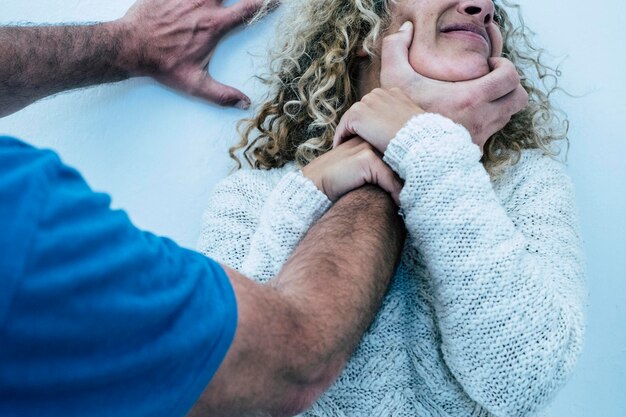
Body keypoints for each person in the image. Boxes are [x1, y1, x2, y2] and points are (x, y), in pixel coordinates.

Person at [0, 1, 410, 416]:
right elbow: (282, 363)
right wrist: (403, 147)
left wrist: (123, 43)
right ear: (367, 36)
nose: (477, 7)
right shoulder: (22, 225)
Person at [198, 0, 586, 416]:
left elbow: (523, 380)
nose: (484, 6)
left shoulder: (526, 183)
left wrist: (427, 147)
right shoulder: (254, 197)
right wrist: (305, 199)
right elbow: (225, 380)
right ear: (365, 27)